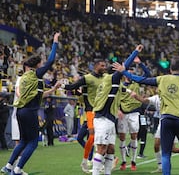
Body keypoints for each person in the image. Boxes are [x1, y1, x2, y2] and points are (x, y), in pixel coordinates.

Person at [113, 60, 179, 175]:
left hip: (166, 120)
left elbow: (140, 79)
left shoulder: (162, 79)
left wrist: (124, 72)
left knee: (166, 153)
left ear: (170, 70)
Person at [1, 32, 61, 175]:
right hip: (29, 112)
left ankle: (9, 166)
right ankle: (18, 169)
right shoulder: (36, 74)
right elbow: (51, 60)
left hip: (21, 111)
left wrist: (53, 89)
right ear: (37, 65)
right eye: (41, 63)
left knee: (23, 141)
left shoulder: (26, 77)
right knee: (33, 142)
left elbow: (39, 94)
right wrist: (55, 42)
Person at [63, 59, 107, 173]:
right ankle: (86, 160)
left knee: (100, 138)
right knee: (92, 136)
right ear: (96, 66)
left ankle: (99, 161)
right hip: (90, 111)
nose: (104, 67)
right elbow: (72, 87)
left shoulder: (106, 77)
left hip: (102, 111)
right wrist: (60, 84)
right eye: (102, 65)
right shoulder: (87, 78)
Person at [116, 45, 150, 171]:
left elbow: (148, 74)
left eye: (131, 74)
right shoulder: (120, 86)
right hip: (123, 114)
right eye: (128, 74)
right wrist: (118, 110)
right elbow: (116, 100)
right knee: (122, 137)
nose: (130, 76)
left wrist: (140, 64)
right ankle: (124, 161)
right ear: (124, 75)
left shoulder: (136, 83)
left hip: (135, 113)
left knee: (134, 136)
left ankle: (134, 161)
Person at [90, 63, 125, 175]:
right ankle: (95, 173)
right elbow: (121, 71)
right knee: (101, 148)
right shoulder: (110, 80)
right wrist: (135, 52)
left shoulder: (111, 83)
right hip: (103, 119)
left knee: (110, 149)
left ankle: (107, 173)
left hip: (110, 119)